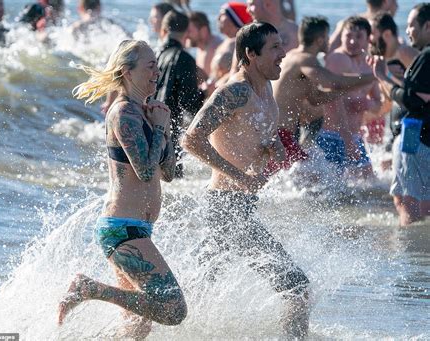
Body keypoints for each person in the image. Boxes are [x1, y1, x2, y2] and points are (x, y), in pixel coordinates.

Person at [182, 22, 310, 338]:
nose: (284, 53)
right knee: (297, 287)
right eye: (275, 48)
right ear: (251, 54)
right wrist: (240, 176)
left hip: (241, 206)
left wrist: (273, 147)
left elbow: (254, 138)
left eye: (283, 46)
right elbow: (191, 140)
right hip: (225, 208)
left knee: (198, 289)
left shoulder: (265, 89)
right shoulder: (234, 91)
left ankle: (166, 324)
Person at [58, 40, 187, 338]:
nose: (157, 71)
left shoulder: (147, 112)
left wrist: (164, 128)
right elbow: (143, 172)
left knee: (136, 328)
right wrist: (157, 128)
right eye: (150, 66)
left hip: (138, 229)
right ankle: (88, 288)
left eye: (157, 65)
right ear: (128, 72)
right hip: (121, 229)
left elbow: (166, 173)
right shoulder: (123, 113)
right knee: (172, 308)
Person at [265, 16, 376, 175]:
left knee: (306, 181)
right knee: (313, 180)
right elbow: (332, 82)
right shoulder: (305, 60)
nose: (329, 41)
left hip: (279, 134)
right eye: (327, 36)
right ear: (319, 39)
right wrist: (373, 76)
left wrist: (344, 91)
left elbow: (315, 98)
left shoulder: (294, 57)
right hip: (281, 136)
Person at [369, 2, 430, 226]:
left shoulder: (417, 54)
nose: (407, 31)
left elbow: (416, 99)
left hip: (415, 133)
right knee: (410, 198)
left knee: (408, 201)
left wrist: (384, 78)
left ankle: (410, 252)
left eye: (412, 25)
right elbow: (418, 91)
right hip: (416, 132)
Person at [319, 16, 381, 177]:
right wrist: (347, 140)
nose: (352, 41)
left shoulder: (370, 64)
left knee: (369, 185)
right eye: (348, 36)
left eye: (358, 37)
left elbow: (378, 102)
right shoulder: (337, 58)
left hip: (355, 137)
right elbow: (333, 98)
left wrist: (368, 105)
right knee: (333, 192)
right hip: (332, 136)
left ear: (369, 39)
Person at [154, 10, 205, 178]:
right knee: (172, 179)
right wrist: (206, 93)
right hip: (170, 130)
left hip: (148, 123)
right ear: (188, 32)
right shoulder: (185, 58)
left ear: (163, 30)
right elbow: (189, 103)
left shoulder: (153, 56)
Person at [366, 12, 419, 144]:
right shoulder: (385, 59)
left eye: (372, 33)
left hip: (416, 128)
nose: (369, 39)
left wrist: (386, 74)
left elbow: (417, 94)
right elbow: (390, 98)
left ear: (387, 34)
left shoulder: (404, 53)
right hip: (400, 128)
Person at [329, 0, 398, 52]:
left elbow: (329, 50)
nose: (396, 5)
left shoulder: (347, 23)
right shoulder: (385, 29)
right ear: (385, 1)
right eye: (394, 1)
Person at [211, 2, 252, 87]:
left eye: (222, 14)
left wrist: (215, 87)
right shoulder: (224, 43)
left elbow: (240, 73)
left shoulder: (240, 45)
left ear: (235, 19)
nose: (218, 18)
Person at [186, 11, 223, 77]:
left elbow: (211, 83)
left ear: (204, 30)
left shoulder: (214, 48)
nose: (186, 35)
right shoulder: (201, 47)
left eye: (189, 31)